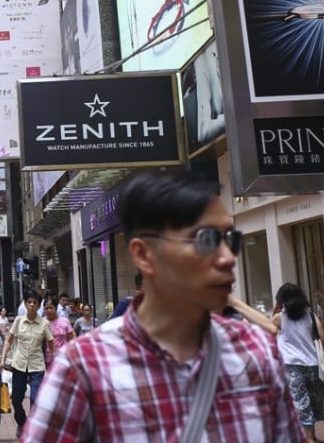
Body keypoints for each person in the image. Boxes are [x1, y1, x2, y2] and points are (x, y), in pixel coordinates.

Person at [22, 169, 304, 441]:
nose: (228, 257)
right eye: (206, 240)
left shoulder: (256, 351)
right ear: (143, 255)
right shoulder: (82, 368)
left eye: (230, 240)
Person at [271, 283, 324, 439]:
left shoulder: (280, 318)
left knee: (300, 402)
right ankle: (311, 436)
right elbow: (322, 338)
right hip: (312, 364)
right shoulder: (311, 316)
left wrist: (275, 309)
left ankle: (308, 438)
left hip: (291, 366)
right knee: (313, 400)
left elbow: (267, 329)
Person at [0, 288, 53, 439]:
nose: (32, 305)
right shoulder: (18, 321)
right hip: (19, 364)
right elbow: (9, 340)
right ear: (25, 303)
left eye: (35, 303)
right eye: (29, 302)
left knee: (36, 400)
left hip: (37, 366)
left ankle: (34, 430)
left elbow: (51, 345)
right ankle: (22, 423)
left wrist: (56, 364)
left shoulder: (44, 324)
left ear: (38, 305)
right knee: (16, 399)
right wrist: (3, 359)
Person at [42, 296, 75, 367]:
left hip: (63, 358)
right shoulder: (41, 322)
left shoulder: (65, 321)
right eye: (46, 308)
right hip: (47, 360)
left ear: (56, 308)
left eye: (51, 308)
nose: (49, 310)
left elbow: (71, 340)